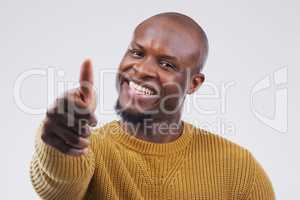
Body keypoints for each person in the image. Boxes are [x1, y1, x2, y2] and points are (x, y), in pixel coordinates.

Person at [30, 12, 275, 199]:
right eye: (137, 53)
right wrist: (60, 141)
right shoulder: (90, 150)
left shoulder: (238, 168)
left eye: (167, 65)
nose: (143, 69)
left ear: (194, 83)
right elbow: (58, 186)